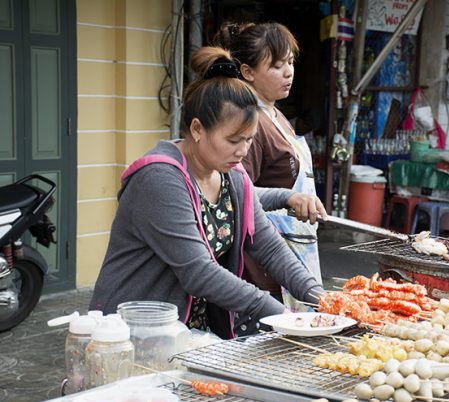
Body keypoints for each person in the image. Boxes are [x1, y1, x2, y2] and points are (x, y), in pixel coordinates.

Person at [89, 46, 324, 339]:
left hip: (189, 333)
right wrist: (283, 315)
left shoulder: (232, 176)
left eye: (249, 140)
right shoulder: (159, 179)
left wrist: (321, 299)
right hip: (133, 330)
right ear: (197, 129)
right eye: (233, 140)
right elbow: (199, 272)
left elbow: (270, 247)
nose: (242, 151)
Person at [216, 22, 326, 311]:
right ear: (248, 73)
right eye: (277, 66)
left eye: (290, 62)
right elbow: (239, 193)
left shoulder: (276, 114)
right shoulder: (250, 122)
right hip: (266, 265)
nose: (288, 72)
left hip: (297, 249)